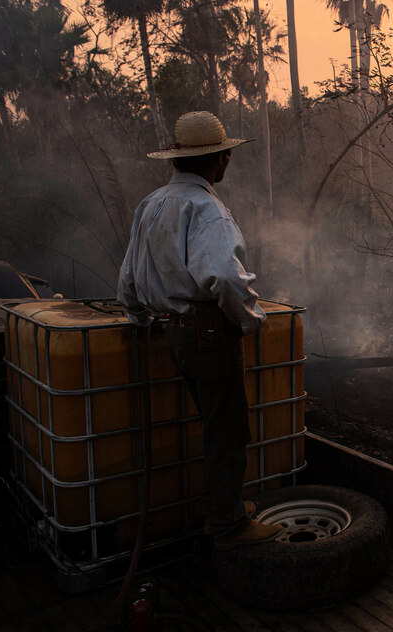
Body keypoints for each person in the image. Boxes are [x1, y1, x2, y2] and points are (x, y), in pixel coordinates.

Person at [117, 111, 283, 549]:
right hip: (209, 334)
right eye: (227, 156)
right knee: (228, 430)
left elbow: (128, 279)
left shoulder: (150, 204)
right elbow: (225, 279)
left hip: (173, 333)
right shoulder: (208, 209)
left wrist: (141, 319)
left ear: (175, 160)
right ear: (220, 161)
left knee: (214, 425)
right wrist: (251, 320)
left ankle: (224, 507)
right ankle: (228, 525)